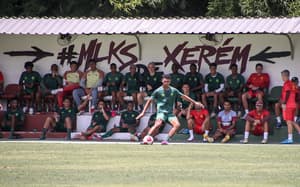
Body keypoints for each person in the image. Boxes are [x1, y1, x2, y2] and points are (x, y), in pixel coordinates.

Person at [136, 74, 204, 145]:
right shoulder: (157, 91)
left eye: (168, 81)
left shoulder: (173, 90)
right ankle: (146, 138)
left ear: (170, 81)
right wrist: (143, 112)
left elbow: (184, 96)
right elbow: (149, 101)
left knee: (177, 125)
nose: (166, 83)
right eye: (165, 81)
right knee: (157, 124)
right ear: (162, 81)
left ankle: (166, 140)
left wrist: (195, 102)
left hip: (170, 113)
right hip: (161, 112)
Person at [279, 71, 300, 144]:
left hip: (288, 106)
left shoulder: (287, 83)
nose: (282, 77)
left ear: (285, 76)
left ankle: (290, 139)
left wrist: (284, 103)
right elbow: (297, 94)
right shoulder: (292, 84)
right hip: (293, 105)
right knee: (292, 121)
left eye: (282, 76)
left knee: (289, 122)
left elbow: (288, 92)